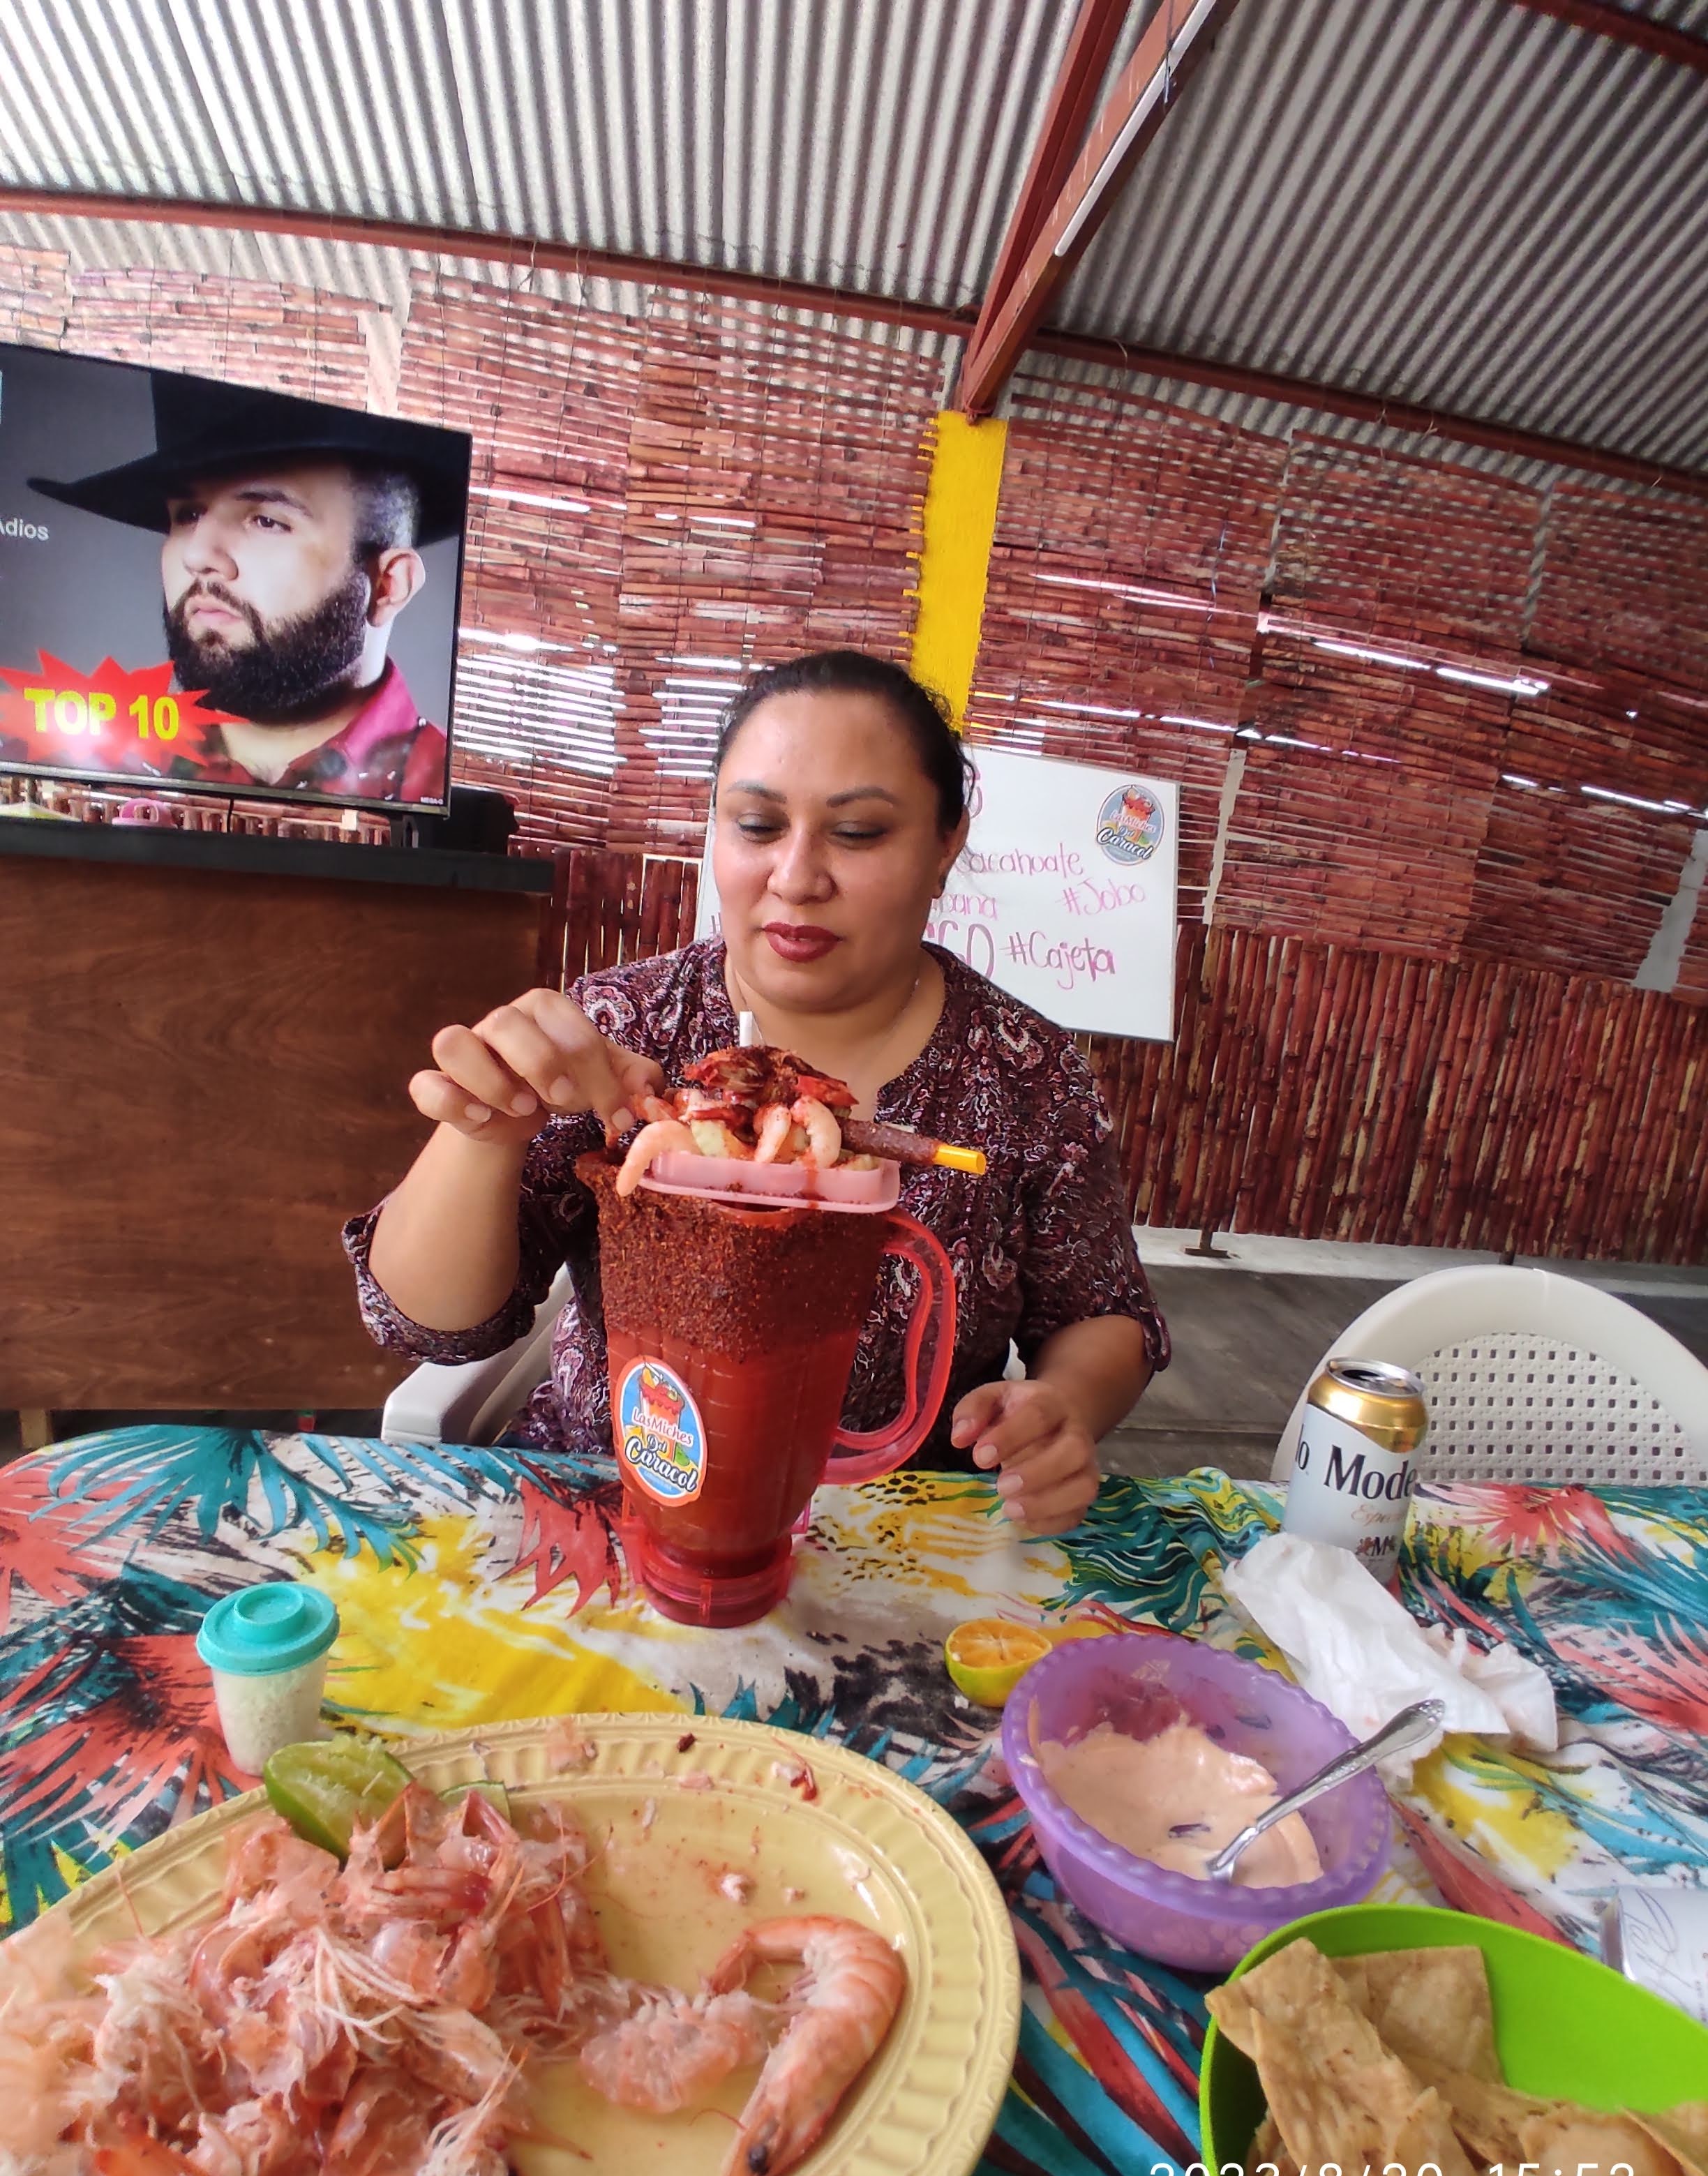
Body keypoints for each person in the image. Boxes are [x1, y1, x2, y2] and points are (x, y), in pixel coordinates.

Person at [347, 651, 1169, 1535]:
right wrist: (486, 1132)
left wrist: (1063, 1408)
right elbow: (431, 1328)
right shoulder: (626, 1029)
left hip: (900, 1532)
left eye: (858, 834)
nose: (797, 877)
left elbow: (1100, 1314)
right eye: (756, 824)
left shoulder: (1026, 1070)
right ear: (713, 828)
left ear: (946, 845)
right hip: (616, 1509)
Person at [29, 370, 467, 802]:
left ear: (389, 585)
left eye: (267, 521)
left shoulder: (443, 811)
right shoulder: (87, 781)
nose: (197, 555)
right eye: (187, 515)